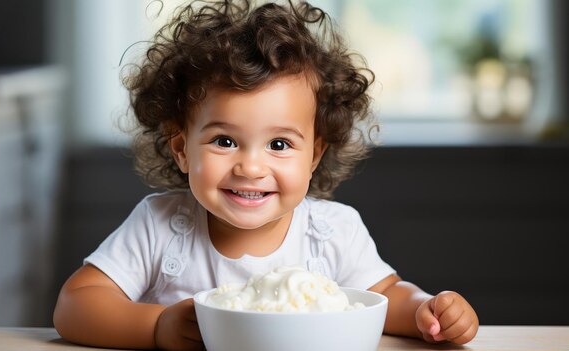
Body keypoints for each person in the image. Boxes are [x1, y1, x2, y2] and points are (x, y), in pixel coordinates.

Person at [53, 1, 479, 349]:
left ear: (314, 156)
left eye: (279, 145)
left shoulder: (332, 231)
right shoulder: (160, 226)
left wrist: (429, 309)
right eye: (224, 141)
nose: (251, 168)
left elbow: (384, 296)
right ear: (181, 147)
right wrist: (158, 326)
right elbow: (76, 305)